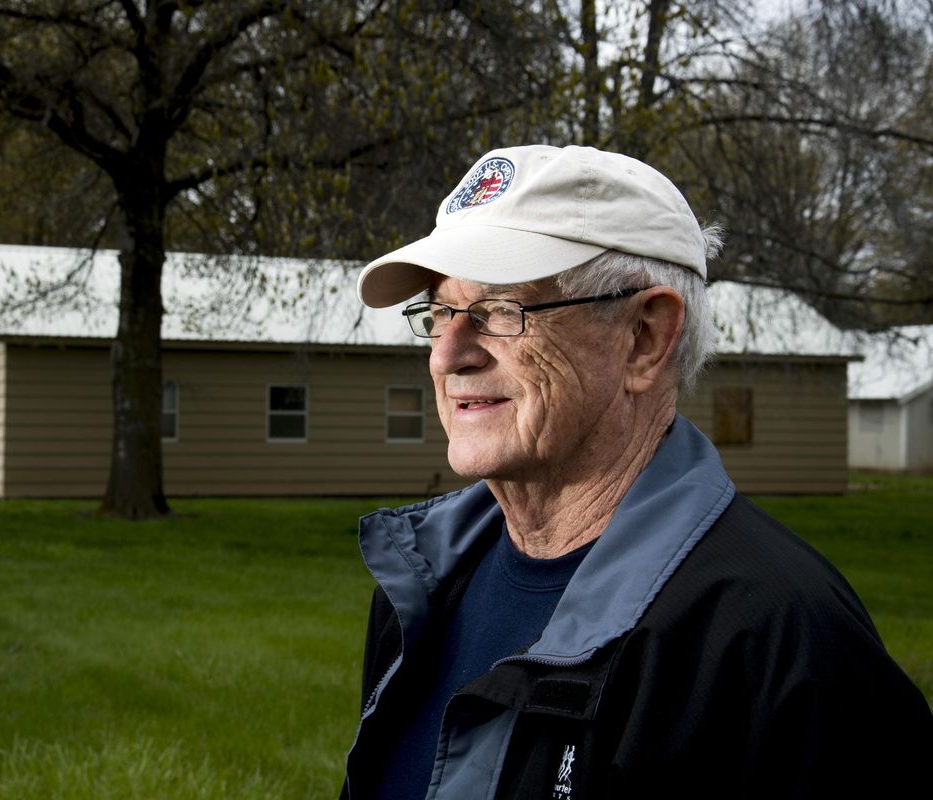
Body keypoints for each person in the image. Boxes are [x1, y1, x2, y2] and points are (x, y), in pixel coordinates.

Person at [340, 144, 933, 799]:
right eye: (442, 312)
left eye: (502, 309)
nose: (449, 353)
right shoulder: (418, 586)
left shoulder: (779, 642)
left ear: (645, 339)